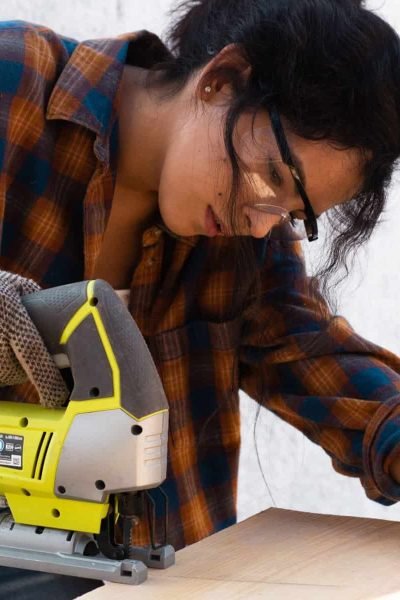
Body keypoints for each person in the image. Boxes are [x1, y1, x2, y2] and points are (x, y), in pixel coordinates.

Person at [1, 0, 400, 597]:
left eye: (291, 214)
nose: (264, 225)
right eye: (274, 179)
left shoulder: (245, 242)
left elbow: (319, 365)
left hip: (150, 578)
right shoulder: (16, 86)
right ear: (221, 80)